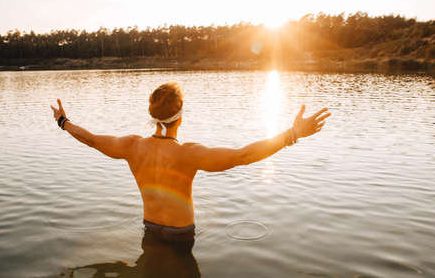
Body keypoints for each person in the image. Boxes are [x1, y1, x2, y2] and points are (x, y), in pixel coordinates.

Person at [50, 82, 330, 243]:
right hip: (181, 234)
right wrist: (292, 134)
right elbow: (242, 156)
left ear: (152, 115)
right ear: (181, 116)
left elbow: (91, 139)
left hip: (150, 227)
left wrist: (64, 121)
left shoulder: (132, 146)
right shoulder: (189, 153)